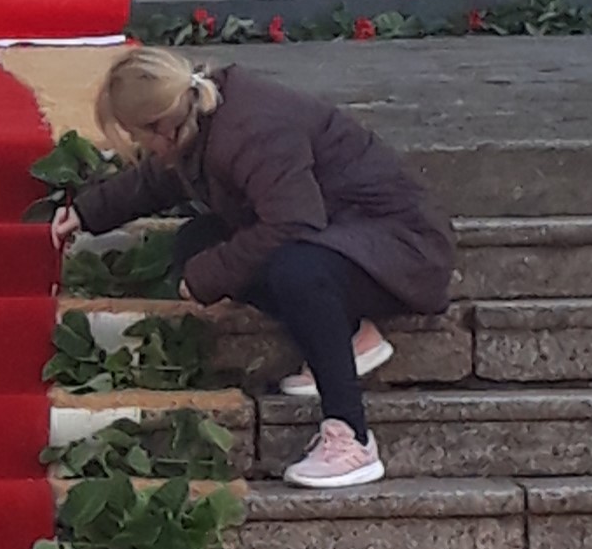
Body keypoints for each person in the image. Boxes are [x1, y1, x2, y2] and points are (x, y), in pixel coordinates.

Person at [52, 44, 455, 494]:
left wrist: (210, 275)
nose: (141, 147)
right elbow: (162, 179)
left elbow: (293, 221)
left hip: (401, 248)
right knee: (197, 243)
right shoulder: (200, 116)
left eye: (137, 135)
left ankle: (352, 437)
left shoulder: (250, 129)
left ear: (160, 125)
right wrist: (88, 213)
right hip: (342, 233)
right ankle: (348, 335)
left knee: (296, 271)